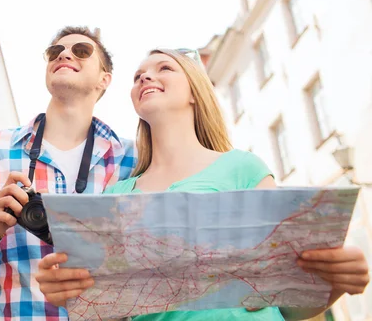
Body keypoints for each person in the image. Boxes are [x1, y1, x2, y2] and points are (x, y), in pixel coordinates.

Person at [35, 48, 370, 321]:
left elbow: (288, 306)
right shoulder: (115, 196)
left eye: (164, 67)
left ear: (195, 92)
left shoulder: (243, 168)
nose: (145, 77)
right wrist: (72, 295)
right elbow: (111, 314)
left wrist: (334, 283)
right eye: (138, 76)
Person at [0, 26, 137, 320]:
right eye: (55, 51)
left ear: (104, 78)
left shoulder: (132, 158)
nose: (65, 54)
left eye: (81, 51)